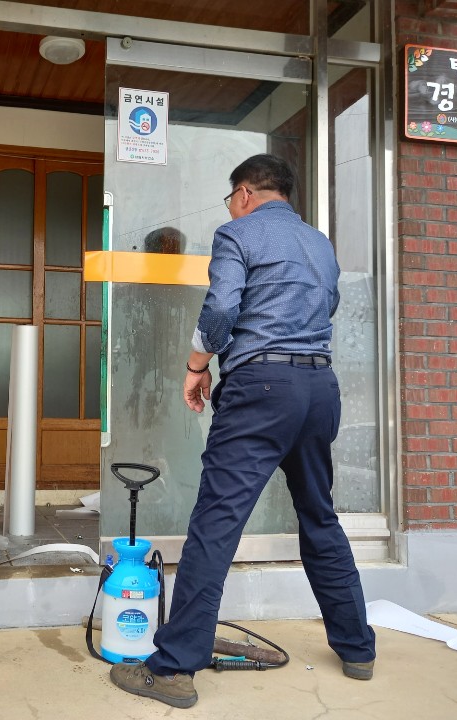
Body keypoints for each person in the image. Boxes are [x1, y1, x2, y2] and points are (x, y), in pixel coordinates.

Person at [109, 154, 376, 709]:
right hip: (319, 388)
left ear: (246, 193)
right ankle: (357, 649)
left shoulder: (237, 233)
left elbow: (221, 309)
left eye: (232, 197)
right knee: (319, 514)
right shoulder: (319, 244)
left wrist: (196, 366)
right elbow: (327, 306)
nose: (231, 206)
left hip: (261, 389)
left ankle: (173, 668)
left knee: (216, 523)